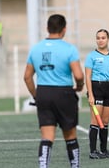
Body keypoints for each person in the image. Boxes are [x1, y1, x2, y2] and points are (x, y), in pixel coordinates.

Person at [24, 14, 84, 168]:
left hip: (43, 93)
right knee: (70, 136)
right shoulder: (69, 49)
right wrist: (80, 85)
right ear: (64, 29)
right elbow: (78, 75)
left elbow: (27, 77)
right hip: (64, 94)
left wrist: (36, 95)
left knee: (47, 137)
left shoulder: (35, 49)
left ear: (47, 28)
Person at [85, 29, 109, 159]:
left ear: (108, 39)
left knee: (105, 122)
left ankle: (104, 150)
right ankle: (93, 151)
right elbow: (88, 76)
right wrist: (90, 94)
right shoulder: (91, 56)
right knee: (96, 121)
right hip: (96, 88)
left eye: (103, 38)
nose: (100, 40)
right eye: (98, 38)